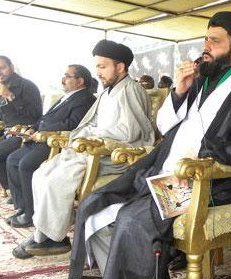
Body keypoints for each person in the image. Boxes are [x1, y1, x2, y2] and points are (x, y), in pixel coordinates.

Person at [66, 11, 231, 279]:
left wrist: (206, 155)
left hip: (209, 182)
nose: (206, 46)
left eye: (215, 42)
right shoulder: (201, 81)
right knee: (97, 204)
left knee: (133, 217)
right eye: (206, 39)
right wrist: (179, 90)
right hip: (163, 171)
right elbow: (164, 125)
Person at [12, 39, 154, 259]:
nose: (98, 72)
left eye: (103, 66)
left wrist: (93, 139)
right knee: (42, 172)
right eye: (97, 66)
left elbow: (130, 133)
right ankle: (44, 235)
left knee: (56, 179)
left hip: (116, 155)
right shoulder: (108, 92)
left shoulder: (131, 89)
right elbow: (90, 123)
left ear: (120, 67)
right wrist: (79, 136)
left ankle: (52, 238)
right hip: (94, 148)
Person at [5, 65, 96, 228]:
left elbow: (73, 124)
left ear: (80, 81)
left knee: (26, 165)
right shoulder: (67, 96)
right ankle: (23, 207)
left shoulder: (85, 98)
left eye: (67, 76)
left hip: (57, 143)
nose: (63, 79)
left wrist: (43, 129)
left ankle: (32, 214)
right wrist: (33, 127)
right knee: (12, 160)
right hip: (40, 138)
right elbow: (44, 118)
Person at [0, 56, 42, 177]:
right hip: (7, 130)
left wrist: (10, 96)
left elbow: (35, 114)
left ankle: (16, 190)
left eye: (2, 68)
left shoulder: (27, 85)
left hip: (25, 131)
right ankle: (13, 186)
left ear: (11, 68)